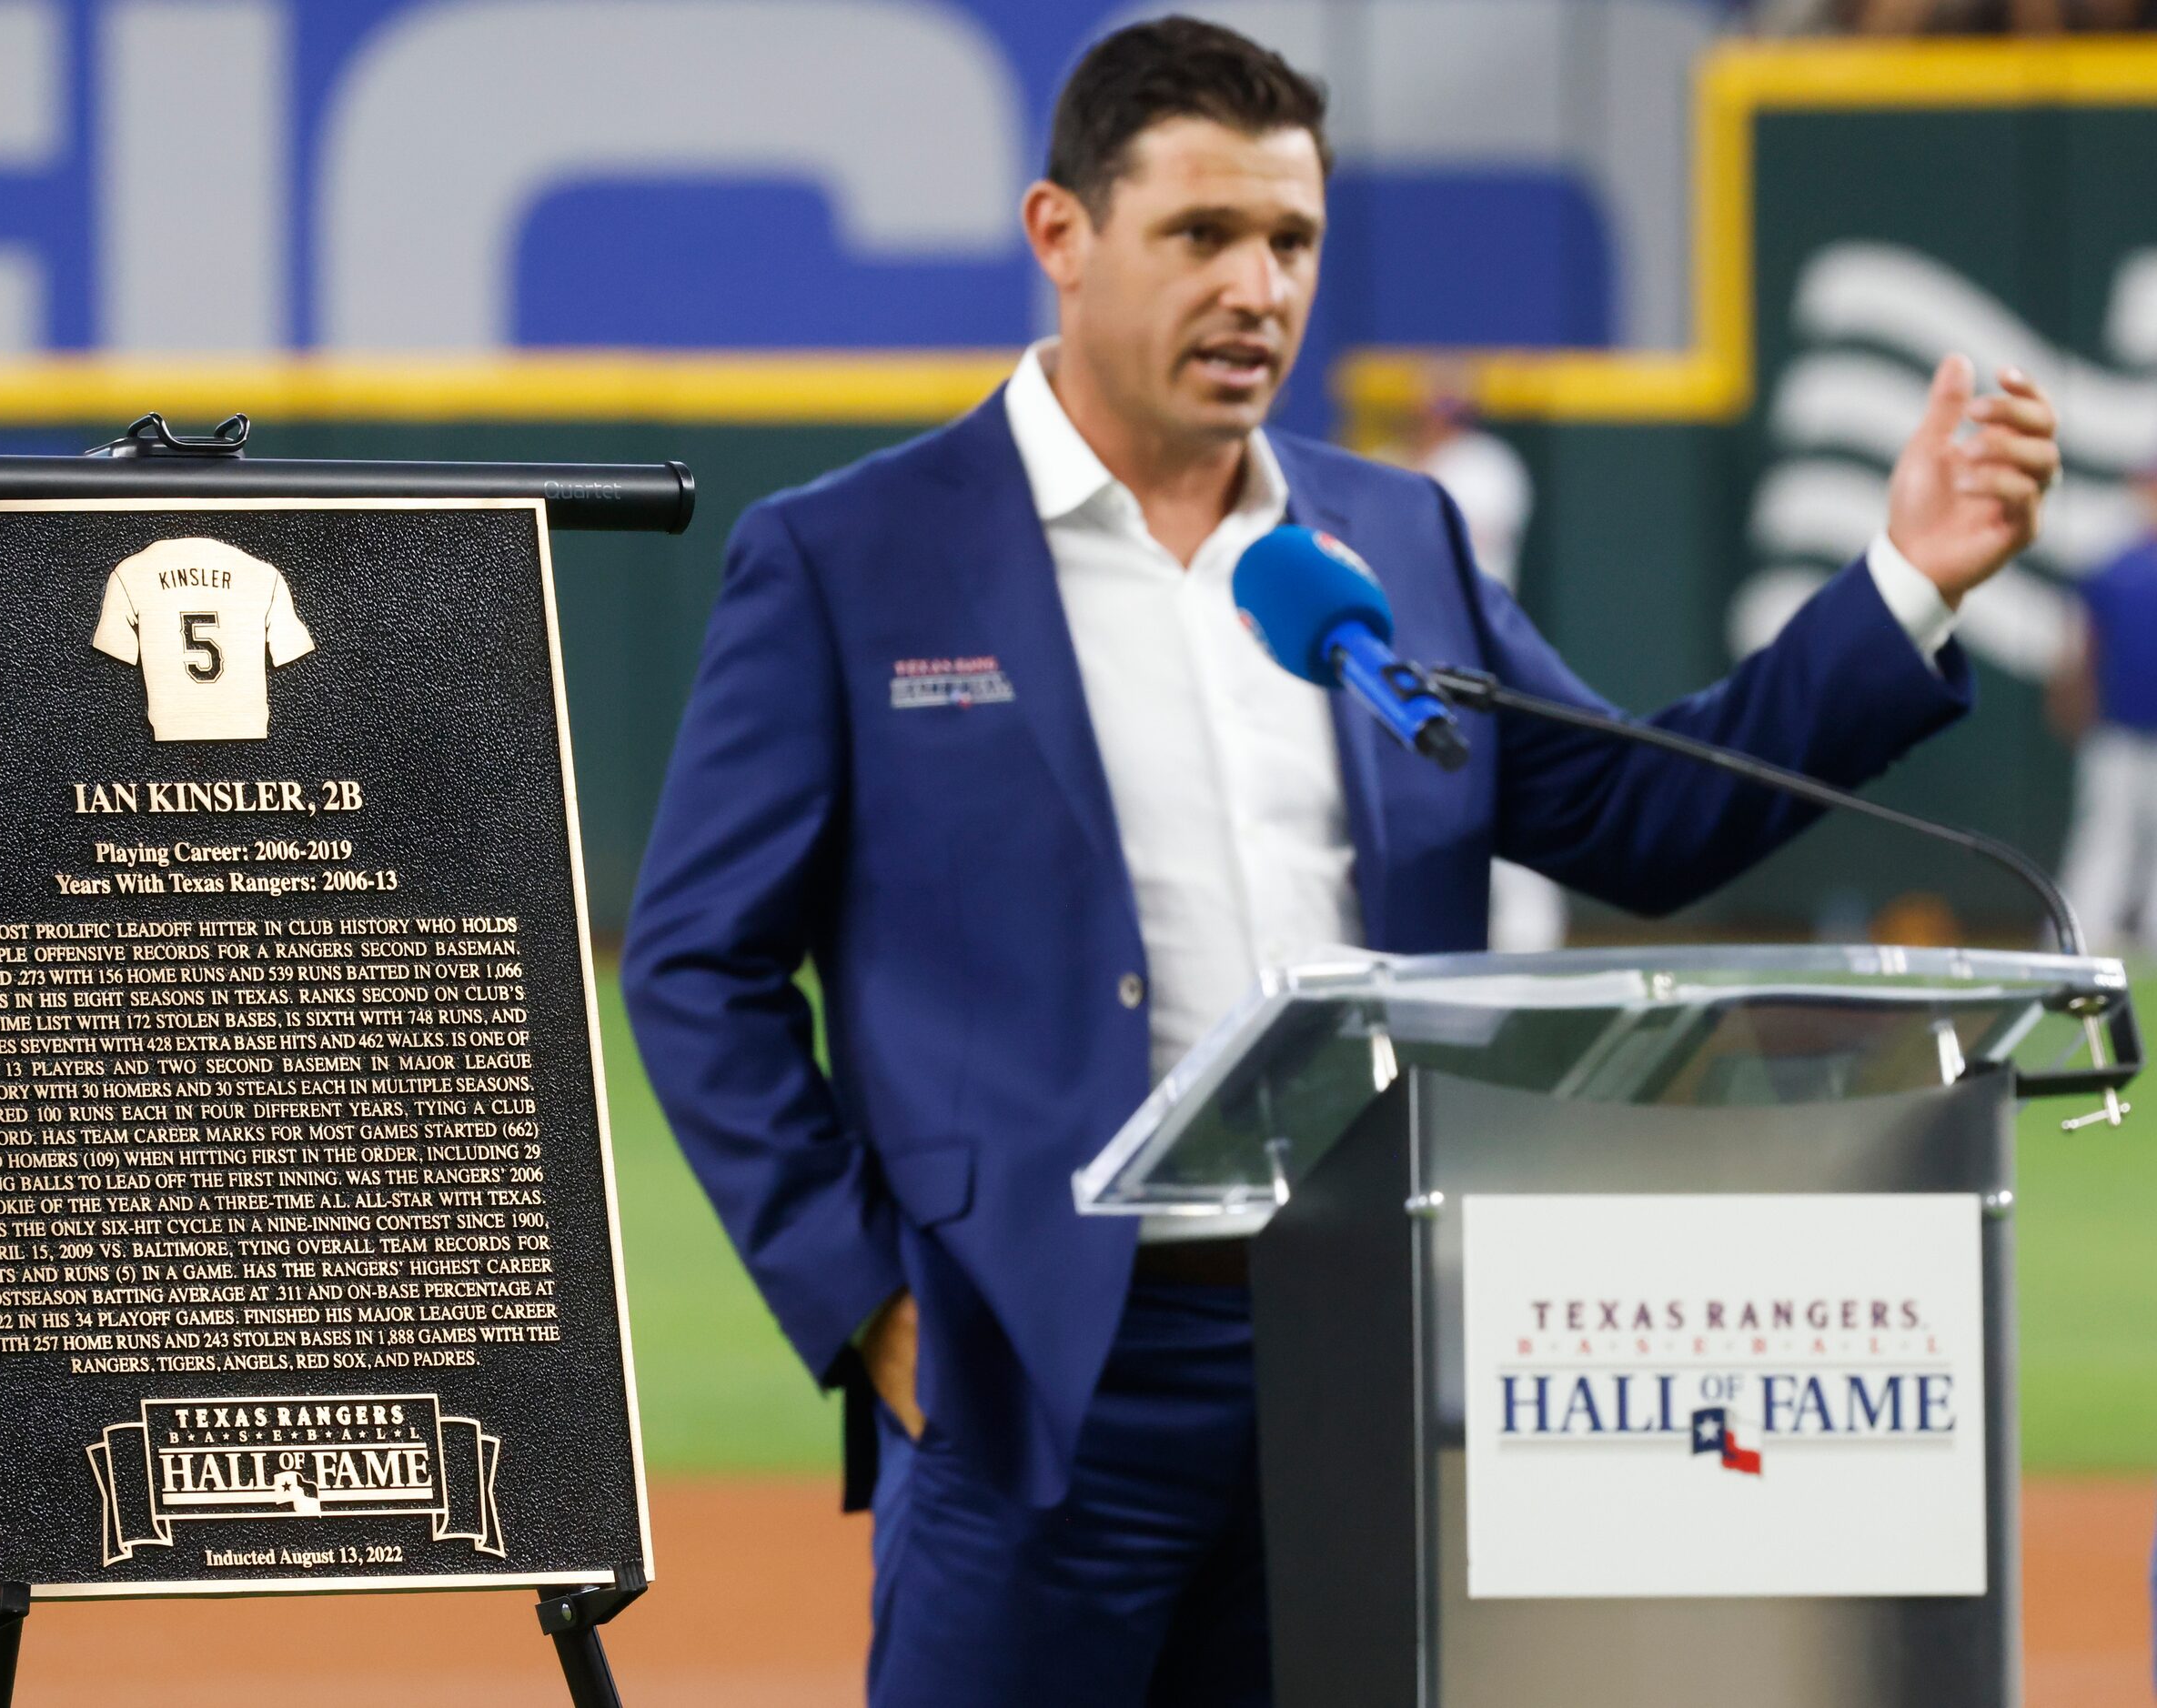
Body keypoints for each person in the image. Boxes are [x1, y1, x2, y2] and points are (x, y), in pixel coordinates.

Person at [620, 18, 2061, 1705]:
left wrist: (1907, 580)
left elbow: (1645, 819)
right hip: (1036, 1363)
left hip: (1360, 1348)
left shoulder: (1391, 540)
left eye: (1292, 242)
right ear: (1059, 236)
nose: (1258, 288)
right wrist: (863, 1291)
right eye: (1202, 236)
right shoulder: (850, 555)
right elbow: (693, 961)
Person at [1401, 384, 1567, 951]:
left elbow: (1452, 540)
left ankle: (1531, 933)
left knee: (1505, 784)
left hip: (1483, 645)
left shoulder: (1485, 465)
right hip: (1427, 647)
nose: (1436, 420)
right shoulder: (1413, 466)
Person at [2050, 461, 2157, 952]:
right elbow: (2081, 648)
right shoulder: (2111, 568)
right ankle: (2076, 938)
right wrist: (2072, 701)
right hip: (2116, 730)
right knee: (2103, 838)